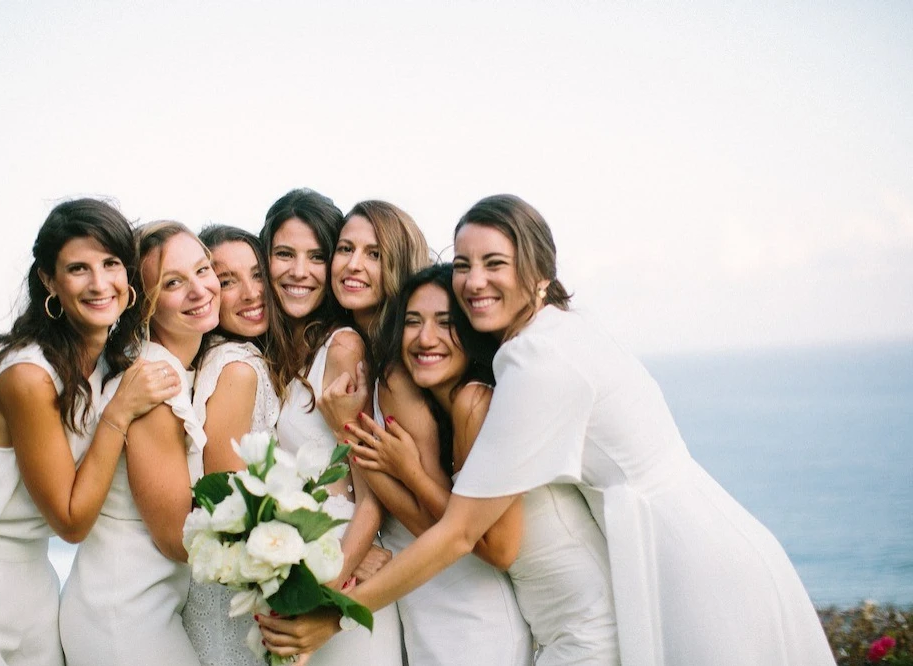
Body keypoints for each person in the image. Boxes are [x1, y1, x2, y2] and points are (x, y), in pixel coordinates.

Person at [258, 194, 837, 666]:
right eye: (463, 265)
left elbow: (466, 536)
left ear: (538, 271)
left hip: (685, 560)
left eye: (495, 263)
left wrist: (335, 613)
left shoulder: (534, 361)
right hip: (636, 559)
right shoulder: (540, 340)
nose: (474, 281)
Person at [0, 199, 179, 665]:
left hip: (36, 597)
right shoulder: (27, 375)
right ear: (49, 281)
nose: (100, 284)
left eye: (111, 263)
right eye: (78, 268)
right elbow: (71, 522)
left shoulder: (108, 364)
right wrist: (119, 414)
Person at [323, 206, 534, 665]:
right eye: (345, 249)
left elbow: (438, 527)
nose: (426, 337)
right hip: (425, 595)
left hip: (460, 597)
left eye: (374, 253)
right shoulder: (396, 368)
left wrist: (354, 434)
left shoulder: (431, 387)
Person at [60, 221, 219, 666]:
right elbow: (176, 537)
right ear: (141, 303)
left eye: (203, 270)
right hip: (124, 617)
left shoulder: (169, 370)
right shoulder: (153, 382)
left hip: (142, 607)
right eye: (173, 283)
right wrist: (285, 546)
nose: (199, 290)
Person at [260, 189, 403, 666]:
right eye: (284, 254)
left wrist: (331, 580)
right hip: (306, 563)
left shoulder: (342, 347)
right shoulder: (282, 354)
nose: (299, 271)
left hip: (344, 577)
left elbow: (371, 497)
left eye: (316, 256)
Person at [181, 225, 280, 666]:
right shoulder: (239, 369)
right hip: (232, 599)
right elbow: (226, 506)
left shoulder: (222, 356)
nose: (251, 293)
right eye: (227, 281)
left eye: (257, 274)